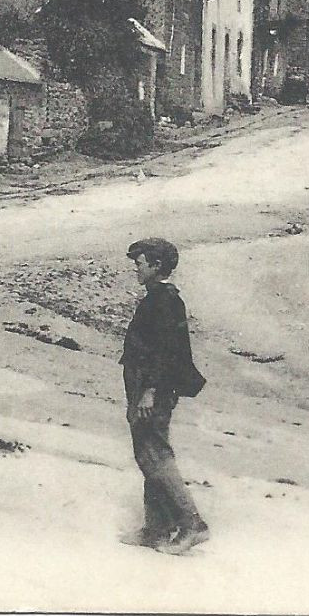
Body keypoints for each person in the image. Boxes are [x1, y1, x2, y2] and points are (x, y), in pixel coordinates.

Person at [119, 237, 211, 555]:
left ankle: (192, 524)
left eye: (140, 262)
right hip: (144, 387)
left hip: (151, 389)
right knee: (148, 453)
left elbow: (166, 353)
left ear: (156, 266)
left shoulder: (165, 300)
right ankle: (156, 528)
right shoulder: (157, 297)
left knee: (154, 454)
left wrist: (150, 391)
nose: (136, 267)